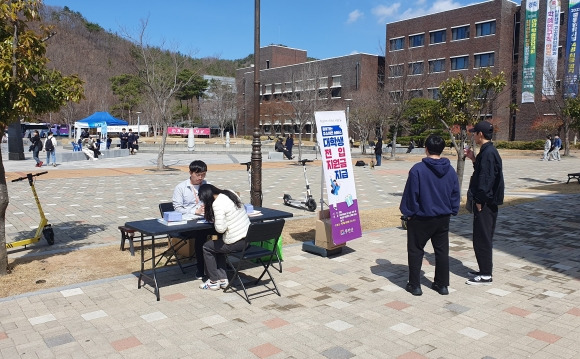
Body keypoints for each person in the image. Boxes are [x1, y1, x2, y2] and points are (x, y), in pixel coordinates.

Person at [400, 135, 460, 296]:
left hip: (421, 217)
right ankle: (442, 285)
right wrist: (453, 209)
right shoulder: (450, 170)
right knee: (441, 252)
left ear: (426, 148)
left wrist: (408, 213)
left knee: (416, 250)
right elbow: (455, 193)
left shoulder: (418, 169)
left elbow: (411, 194)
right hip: (443, 217)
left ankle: (415, 285)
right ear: (442, 149)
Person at [464, 120, 504, 286]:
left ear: (480, 134)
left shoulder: (488, 153)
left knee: (483, 238)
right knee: (481, 236)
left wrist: (480, 200)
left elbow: (486, 180)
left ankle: (486, 274)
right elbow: (482, 173)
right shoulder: (487, 151)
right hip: (486, 201)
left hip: (485, 203)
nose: (473, 136)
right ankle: (483, 269)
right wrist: (474, 159)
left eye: (474, 133)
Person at [197, 184, 250, 290]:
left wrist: (217, 219)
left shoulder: (217, 204)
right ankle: (223, 279)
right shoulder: (230, 193)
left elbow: (220, 229)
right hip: (247, 238)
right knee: (218, 245)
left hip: (236, 242)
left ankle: (213, 281)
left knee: (207, 247)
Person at [172, 160, 213, 279]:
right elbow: (177, 209)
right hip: (188, 223)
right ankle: (201, 268)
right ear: (190, 172)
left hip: (205, 220)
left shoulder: (207, 185)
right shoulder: (181, 188)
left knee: (221, 230)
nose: (201, 177)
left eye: (203, 174)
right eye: (198, 175)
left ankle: (221, 263)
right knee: (201, 234)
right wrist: (194, 211)